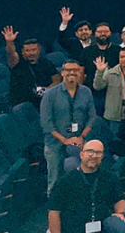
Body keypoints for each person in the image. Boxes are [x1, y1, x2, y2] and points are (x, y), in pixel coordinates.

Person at [40, 60, 96, 196]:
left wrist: (81, 137)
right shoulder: (50, 94)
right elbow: (46, 123)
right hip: (55, 144)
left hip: (78, 143)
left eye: (75, 70)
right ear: (62, 73)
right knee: (55, 181)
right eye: (68, 70)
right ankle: (53, 205)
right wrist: (65, 140)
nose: (72, 73)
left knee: (80, 179)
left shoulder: (86, 92)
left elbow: (92, 117)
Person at [1, 26, 59, 107]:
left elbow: (57, 79)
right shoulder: (17, 63)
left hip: (44, 100)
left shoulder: (46, 63)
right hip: (23, 103)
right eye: (28, 51)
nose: (31, 53)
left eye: (33, 50)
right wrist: (9, 42)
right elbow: (11, 54)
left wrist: (48, 91)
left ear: (39, 50)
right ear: (23, 52)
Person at [92, 48, 125, 136]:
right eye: (121, 57)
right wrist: (100, 72)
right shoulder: (110, 73)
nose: (124, 59)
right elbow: (97, 86)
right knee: (115, 140)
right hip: (114, 115)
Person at [81, 23, 119, 93]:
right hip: (91, 91)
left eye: (106, 31)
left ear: (110, 33)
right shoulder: (87, 51)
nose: (103, 34)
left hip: (113, 90)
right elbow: (82, 70)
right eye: (100, 32)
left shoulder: (118, 50)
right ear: (95, 33)